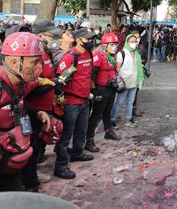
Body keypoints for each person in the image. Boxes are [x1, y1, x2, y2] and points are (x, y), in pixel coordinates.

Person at [0, 32, 53, 192]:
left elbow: (16, 104)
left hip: (8, 161)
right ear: (15, 62)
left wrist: (36, 113)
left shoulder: (23, 82)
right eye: (35, 62)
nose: (40, 68)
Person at [22, 20, 64, 191]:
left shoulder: (47, 53)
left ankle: (34, 175)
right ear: (39, 36)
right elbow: (28, 89)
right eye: (51, 35)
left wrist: (54, 88)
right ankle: (30, 183)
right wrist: (51, 84)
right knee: (30, 148)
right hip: (32, 109)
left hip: (46, 107)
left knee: (40, 144)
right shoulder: (32, 57)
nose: (54, 38)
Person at [54, 28, 95, 180]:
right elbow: (60, 80)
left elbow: (88, 75)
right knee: (66, 135)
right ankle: (61, 166)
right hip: (71, 102)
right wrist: (60, 98)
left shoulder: (88, 54)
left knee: (81, 130)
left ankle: (77, 153)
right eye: (88, 39)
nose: (91, 42)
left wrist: (92, 91)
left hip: (84, 100)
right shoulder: (70, 57)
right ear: (79, 40)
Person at [85, 33, 121, 153]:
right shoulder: (98, 55)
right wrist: (94, 90)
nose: (115, 46)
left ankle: (108, 131)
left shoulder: (112, 55)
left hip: (110, 88)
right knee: (96, 115)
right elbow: (93, 74)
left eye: (116, 44)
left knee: (107, 112)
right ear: (104, 45)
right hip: (101, 88)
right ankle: (89, 140)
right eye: (112, 44)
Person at [111, 35, 146, 128]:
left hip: (134, 81)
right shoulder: (121, 53)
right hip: (124, 83)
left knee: (130, 102)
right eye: (132, 41)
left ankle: (128, 119)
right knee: (119, 102)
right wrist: (119, 80)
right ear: (127, 42)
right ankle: (113, 119)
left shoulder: (136, 53)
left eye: (135, 41)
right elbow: (117, 69)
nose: (134, 43)